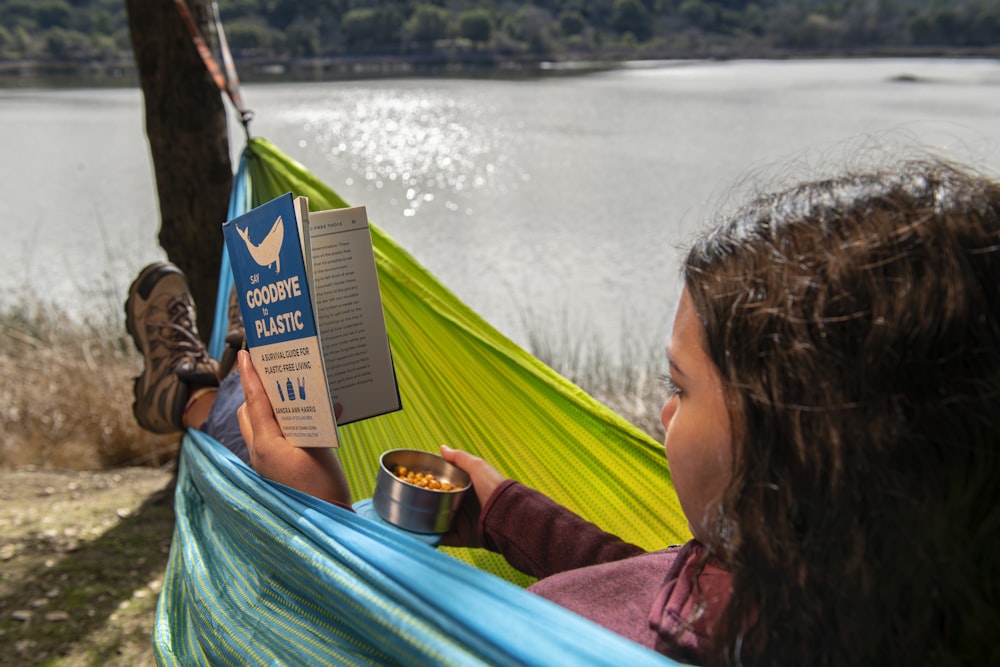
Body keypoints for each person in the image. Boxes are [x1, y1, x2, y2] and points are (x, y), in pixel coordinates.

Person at [127, 158, 1000, 666]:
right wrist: (508, 512)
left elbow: (344, 649)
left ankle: (199, 387)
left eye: (681, 386)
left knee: (250, 439)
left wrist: (316, 524)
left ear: (803, 446)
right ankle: (213, 376)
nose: (662, 412)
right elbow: (649, 575)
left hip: (370, 600)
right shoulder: (787, 575)